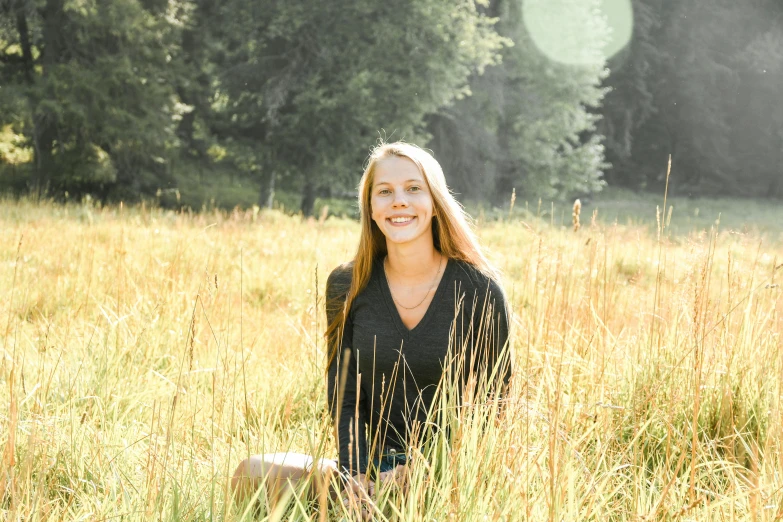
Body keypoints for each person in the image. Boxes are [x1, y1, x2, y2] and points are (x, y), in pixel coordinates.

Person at [231, 142, 511, 514]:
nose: (399, 201)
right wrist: (355, 476)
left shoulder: (479, 290)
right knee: (251, 473)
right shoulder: (348, 285)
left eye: (413, 188)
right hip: (370, 469)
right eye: (385, 192)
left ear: (434, 202)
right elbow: (343, 394)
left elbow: (495, 407)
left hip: (449, 475)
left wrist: (427, 470)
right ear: (371, 208)